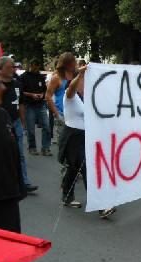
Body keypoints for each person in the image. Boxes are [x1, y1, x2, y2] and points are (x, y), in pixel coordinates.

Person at [0, 74, 39, 262]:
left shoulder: (2, 115)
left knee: (11, 250)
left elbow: (13, 156)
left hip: (7, 197)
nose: (3, 87)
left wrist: (19, 187)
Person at [59, 66, 116, 219]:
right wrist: (81, 73)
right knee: (87, 169)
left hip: (84, 135)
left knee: (74, 167)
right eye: (83, 81)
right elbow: (71, 87)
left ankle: (66, 195)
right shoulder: (69, 95)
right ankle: (101, 206)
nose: (85, 83)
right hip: (72, 137)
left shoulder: (86, 97)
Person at [0, 56, 38, 193]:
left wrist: (22, 121)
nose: (12, 69)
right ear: (0, 69)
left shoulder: (17, 84)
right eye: (9, 67)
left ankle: (24, 182)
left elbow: (20, 104)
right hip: (0, 124)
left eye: (13, 67)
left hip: (16, 122)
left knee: (19, 153)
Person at [20, 59, 52, 156]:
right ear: (31, 65)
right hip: (29, 105)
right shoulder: (23, 77)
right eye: (34, 66)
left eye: (37, 66)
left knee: (47, 126)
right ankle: (32, 147)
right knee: (31, 129)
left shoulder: (40, 77)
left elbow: (44, 90)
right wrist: (31, 95)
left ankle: (45, 148)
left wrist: (42, 95)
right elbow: (21, 91)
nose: (36, 68)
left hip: (41, 104)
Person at [45, 52, 76, 140]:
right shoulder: (56, 77)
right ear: (65, 64)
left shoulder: (76, 75)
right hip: (63, 115)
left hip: (76, 115)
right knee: (64, 145)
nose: (74, 64)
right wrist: (57, 114)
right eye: (71, 62)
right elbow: (48, 96)